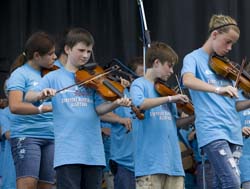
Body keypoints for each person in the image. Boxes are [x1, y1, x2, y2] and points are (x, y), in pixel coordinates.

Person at [25, 27, 131, 189]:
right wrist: (41, 94)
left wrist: (116, 103)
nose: (85, 55)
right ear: (67, 49)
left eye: (89, 51)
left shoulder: (93, 77)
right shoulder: (53, 76)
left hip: (93, 153)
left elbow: (98, 110)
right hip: (68, 154)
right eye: (81, 50)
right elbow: (28, 96)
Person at [181, 14, 250, 188]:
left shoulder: (226, 67)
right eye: (227, 42)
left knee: (222, 185)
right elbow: (187, 80)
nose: (229, 48)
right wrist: (218, 89)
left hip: (233, 132)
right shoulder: (193, 58)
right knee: (233, 183)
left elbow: (233, 105)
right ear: (214, 34)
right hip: (213, 131)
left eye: (232, 44)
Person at [130, 41, 194, 189]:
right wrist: (171, 98)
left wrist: (195, 116)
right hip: (150, 166)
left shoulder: (165, 90)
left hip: (173, 164)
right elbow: (140, 104)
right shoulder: (139, 84)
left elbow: (174, 123)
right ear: (157, 63)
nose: (172, 71)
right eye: (169, 66)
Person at [7, 31, 56, 189]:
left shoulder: (52, 74)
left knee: (47, 186)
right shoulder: (19, 74)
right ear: (36, 56)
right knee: (27, 185)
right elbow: (15, 106)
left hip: (51, 135)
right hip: (27, 134)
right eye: (51, 54)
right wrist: (43, 108)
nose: (55, 57)